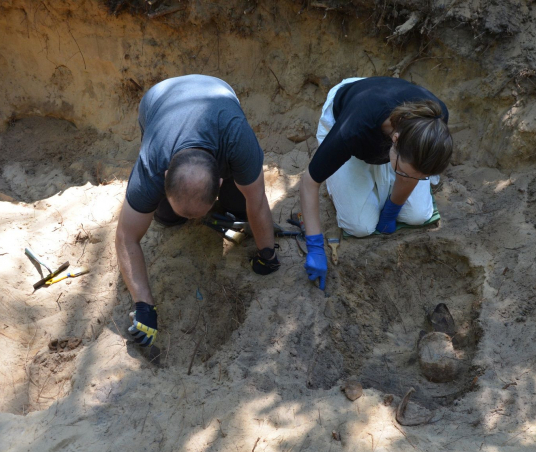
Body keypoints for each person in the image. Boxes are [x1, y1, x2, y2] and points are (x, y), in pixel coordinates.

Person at [116, 75, 279, 347]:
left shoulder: (238, 139)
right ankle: (172, 210)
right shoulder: (151, 161)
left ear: (220, 181)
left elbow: (258, 201)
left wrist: (268, 255)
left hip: (217, 91)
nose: (197, 220)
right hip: (158, 99)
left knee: (241, 207)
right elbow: (125, 235)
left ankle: (210, 203)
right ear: (164, 176)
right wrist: (144, 305)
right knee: (167, 219)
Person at [298, 76, 453, 289]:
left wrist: (392, 210)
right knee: (361, 226)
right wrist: (314, 246)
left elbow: (413, 170)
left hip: (390, 128)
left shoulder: (433, 124)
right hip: (352, 110)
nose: (414, 180)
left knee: (417, 215)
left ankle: (391, 179)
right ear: (396, 141)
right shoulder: (352, 129)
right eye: (407, 173)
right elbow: (309, 181)